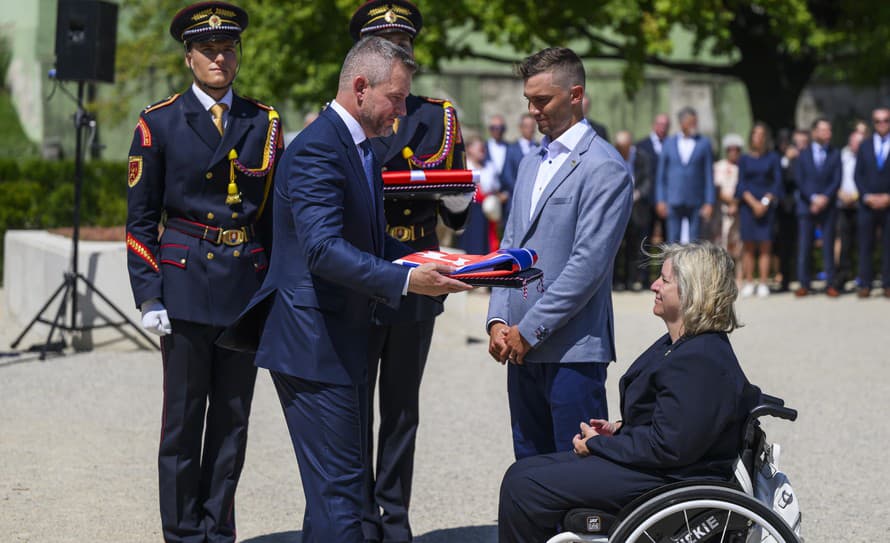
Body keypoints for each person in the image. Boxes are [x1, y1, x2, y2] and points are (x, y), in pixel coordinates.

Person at [237, 37, 471, 541]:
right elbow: (322, 249)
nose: (403, 112)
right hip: (314, 344)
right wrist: (408, 279)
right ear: (360, 88)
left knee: (332, 496)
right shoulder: (319, 148)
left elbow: (367, 238)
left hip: (336, 337)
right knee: (343, 495)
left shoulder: (357, 145)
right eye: (396, 98)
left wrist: (440, 263)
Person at [124, 3, 282, 541]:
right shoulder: (159, 121)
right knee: (183, 423)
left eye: (229, 48)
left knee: (233, 423)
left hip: (244, 285)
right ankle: (183, 534)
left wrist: (275, 290)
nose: (220, 57)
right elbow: (141, 220)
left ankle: (219, 531)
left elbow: (274, 219)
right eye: (209, 49)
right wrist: (149, 295)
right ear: (189, 56)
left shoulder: (262, 121)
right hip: (185, 284)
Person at [497, 242, 762, 543]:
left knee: (525, 487)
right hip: (664, 468)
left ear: (692, 291)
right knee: (525, 471)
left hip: (673, 479)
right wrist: (618, 431)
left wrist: (600, 445)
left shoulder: (700, 359)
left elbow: (670, 446)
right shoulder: (682, 346)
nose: (654, 285)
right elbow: (676, 427)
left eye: (664, 280)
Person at [346, 2, 472, 541]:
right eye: (387, 45)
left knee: (400, 410)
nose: (401, 53)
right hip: (360, 274)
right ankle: (352, 517)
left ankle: (392, 519)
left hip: (417, 272)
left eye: (405, 44)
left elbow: (453, 214)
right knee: (350, 407)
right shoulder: (352, 114)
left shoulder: (435, 117)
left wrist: (460, 200)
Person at [486, 47, 633, 460]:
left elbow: (587, 265)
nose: (533, 111)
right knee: (529, 470)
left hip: (573, 348)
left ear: (575, 94)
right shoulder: (531, 163)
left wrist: (528, 329)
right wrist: (498, 319)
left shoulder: (605, 167)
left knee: (576, 476)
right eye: (528, 101)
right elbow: (509, 248)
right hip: (518, 345)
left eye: (542, 100)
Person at [795, 118, 841, 297]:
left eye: (829, 130)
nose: (827, 134)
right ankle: (804, 284)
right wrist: (813, 198)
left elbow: (836, 179)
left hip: (828, 207)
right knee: (805, 246)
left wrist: (824, 198)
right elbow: (800, 180)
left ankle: (831, 284)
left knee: (828, 246)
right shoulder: (803, 154)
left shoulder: (835, 154)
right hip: (807, 206)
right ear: (814, 133)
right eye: (823, 130)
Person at [736, 122, 782, 298]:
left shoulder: (773, 158)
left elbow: (777, 183)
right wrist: (753, 203)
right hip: (748, 207)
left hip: (766, 207)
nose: (759, 137)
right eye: (755, 134)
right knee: (748, 246)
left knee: (765, 245)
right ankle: (749, 281)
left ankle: (763, 282)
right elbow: (741, 184)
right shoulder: (745, 159)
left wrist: (764, 202)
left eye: (762, 134)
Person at [655, 107, 715, 243]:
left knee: (694, 242)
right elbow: (661, 175)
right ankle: (672, 265)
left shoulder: (704, 143)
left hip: (696, 200)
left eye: (695, 122)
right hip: (673, 199)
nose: (694, 125)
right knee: (672, 241)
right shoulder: (669, 143)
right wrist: (660, 199)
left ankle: (692, 265)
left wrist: (709, 202)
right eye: (691, 122)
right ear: (682, 123)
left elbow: (709, 175)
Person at [854, 107, 890, 298]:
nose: (882, 124)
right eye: (878, 121)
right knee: (866, 245)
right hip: (867, 205)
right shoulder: (865, 145)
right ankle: (865, 283)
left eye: (886, 120)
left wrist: (888, 197)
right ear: (873, 123)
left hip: (889, 204)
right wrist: (867, 196)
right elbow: (858, 174)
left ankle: (887, 283)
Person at [613, 129, 652, 291]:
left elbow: (648, 180)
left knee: (634, 246)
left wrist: (638, 193)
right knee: (616, 247)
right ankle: (616, 281)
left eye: (624, 147)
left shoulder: (642, 157)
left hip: (637, 208)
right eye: (619, 147)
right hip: (617, 207)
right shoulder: (613, 156)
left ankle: (631, 281)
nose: (622, 151)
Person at [458, 134, 501, 255]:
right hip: (470, 211)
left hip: (486, 213)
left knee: (485, 247)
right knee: (471, 247)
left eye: (483, 149)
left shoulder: (489, 167)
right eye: (479, 148)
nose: (483, 151)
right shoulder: (464, 166)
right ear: (470, 149)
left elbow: (496, 189)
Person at [836, 130, 864, 291]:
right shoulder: (842, 156)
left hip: (860, 204)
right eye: (854, 142)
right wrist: (841, 194)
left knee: (863, 243)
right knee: (844, 243)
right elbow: (835, 177)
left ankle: (862, 277)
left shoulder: (867, 157)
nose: (857, 145)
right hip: (843, 204)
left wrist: (855, 195)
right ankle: (843, 276)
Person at [502, 113, 540, 222]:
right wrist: (522, 190)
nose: (530, 129)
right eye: (527, 126)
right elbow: (507, 174)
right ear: (521, 128)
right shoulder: (511, 149)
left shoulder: (540, 147)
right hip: (515, 198)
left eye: (532, 126)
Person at [712, 133, 743, 265]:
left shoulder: (743, 167)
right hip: (721, 210)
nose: (733, 153)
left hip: (739, 210)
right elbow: (717, 189)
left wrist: (736, 204)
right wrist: (731, 202)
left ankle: (739, 276)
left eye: (736, 150)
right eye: (731, 149)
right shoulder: (718, 167)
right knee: (721, 243)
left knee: (739, 244)